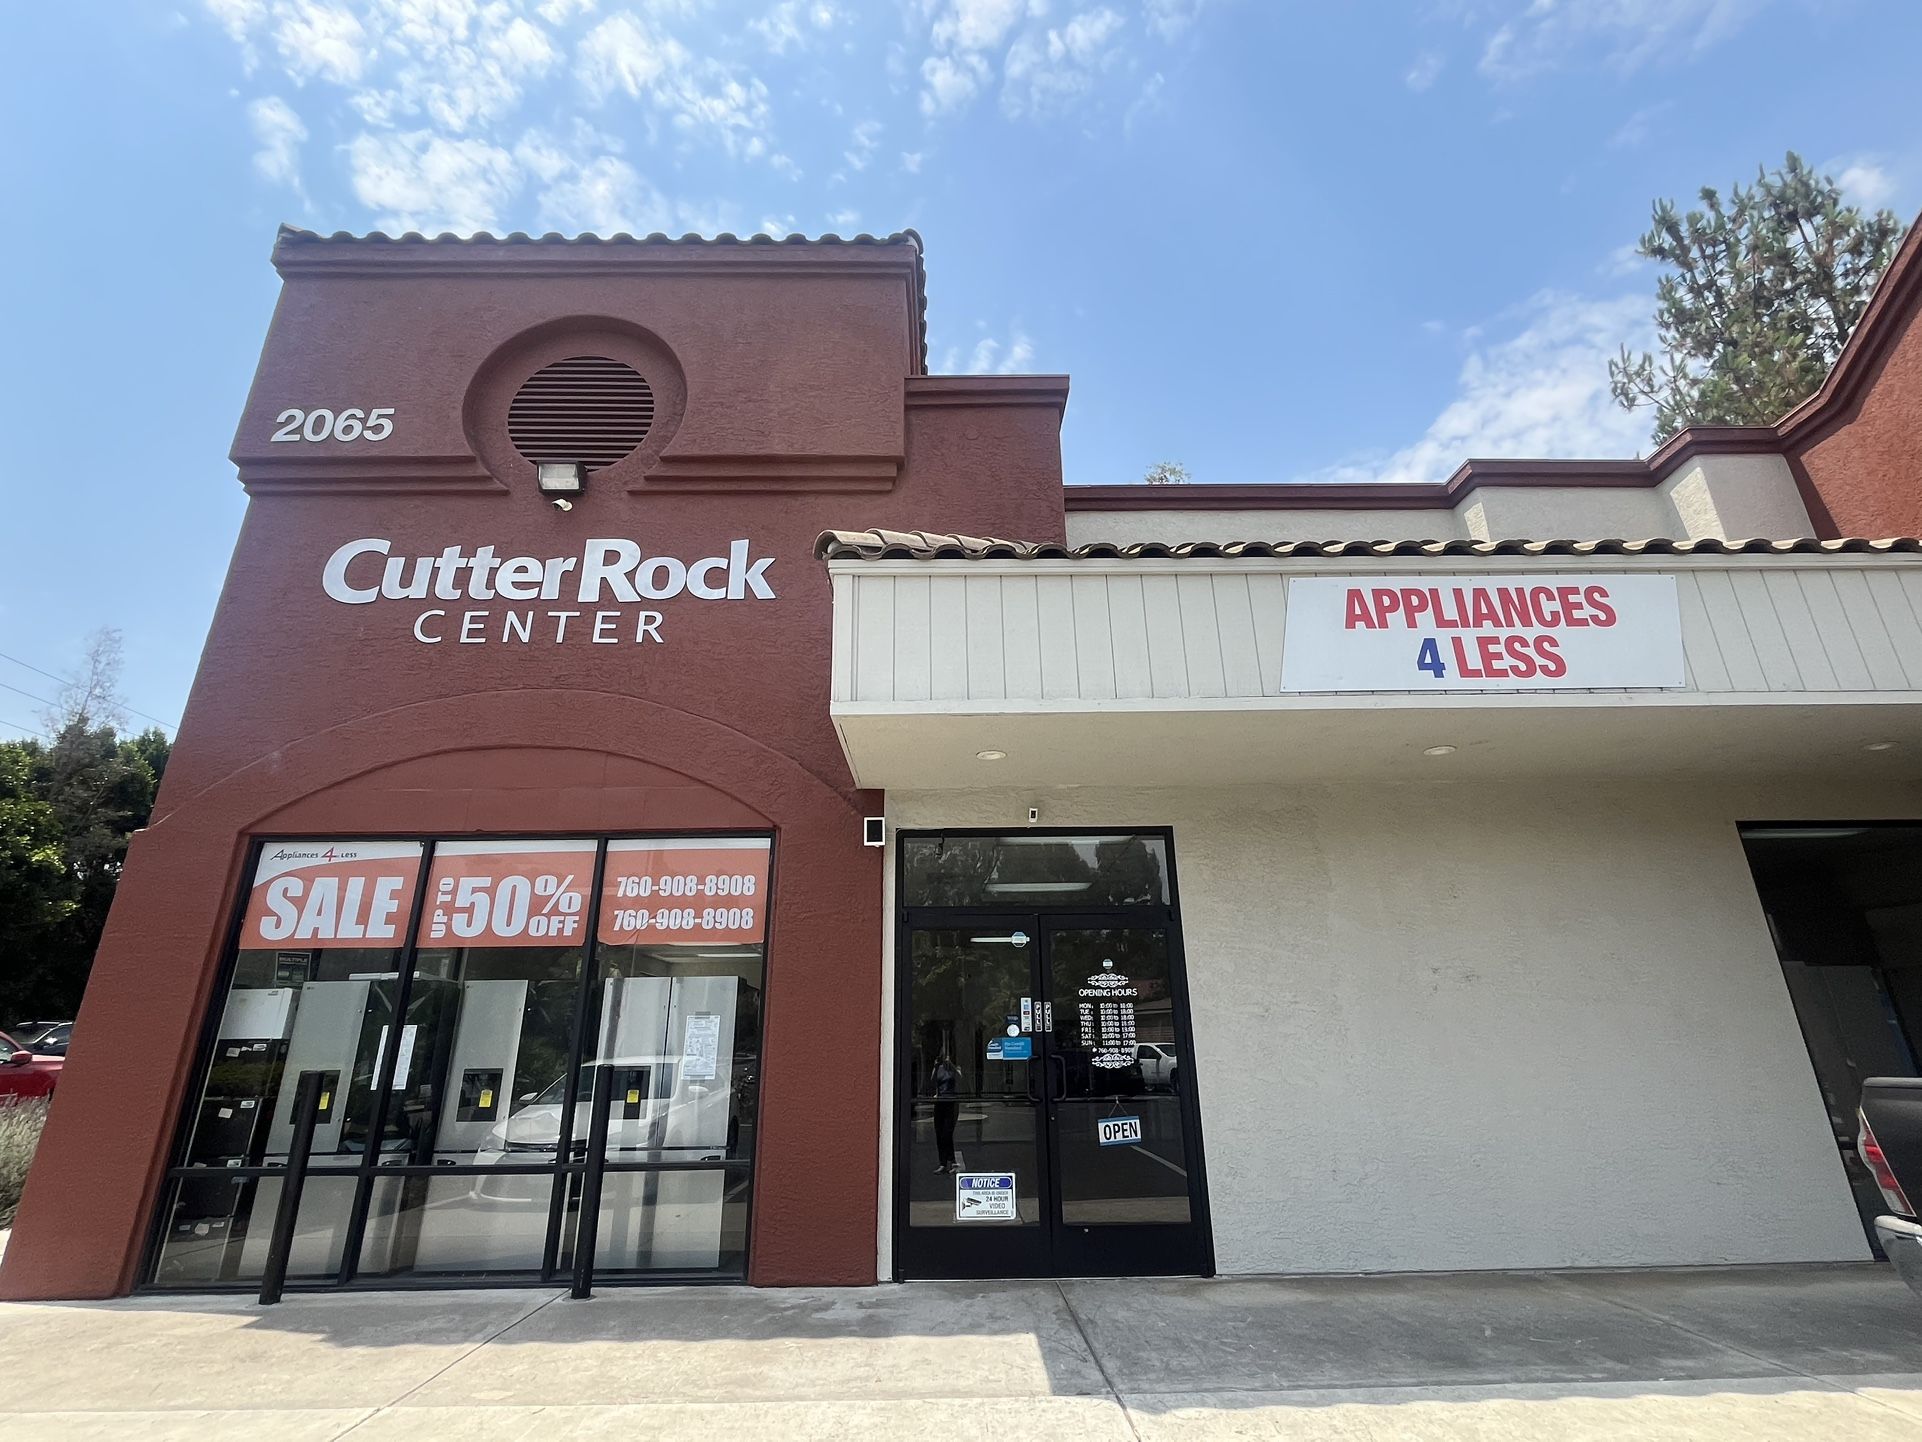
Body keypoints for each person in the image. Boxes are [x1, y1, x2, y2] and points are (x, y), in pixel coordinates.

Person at [931, 1052, 961, 1173]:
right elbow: (932, 1081)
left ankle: (952, 1161)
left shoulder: (955, 1068)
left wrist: (952, 1065)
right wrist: (935, 1066)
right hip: (940, 1101)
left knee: (947, 1133)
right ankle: (942, 1163)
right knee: (939, 1132)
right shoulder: (939, 1068)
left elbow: (960, 1079)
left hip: (951, 1102)